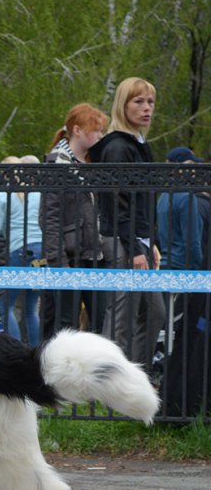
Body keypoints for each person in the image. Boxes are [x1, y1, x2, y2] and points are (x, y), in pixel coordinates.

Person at [88, 77, 165, 367]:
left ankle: (133, 378)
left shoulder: (138, 144)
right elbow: (116, 204)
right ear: (123, 104)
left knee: (155, 313)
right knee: (122, 316)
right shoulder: (117, 147)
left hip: (139, 240)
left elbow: (144, 201)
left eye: (150, 102)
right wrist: (134, 247)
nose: (147, 108)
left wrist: (151, 241)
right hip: (123, 240)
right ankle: (105, 384)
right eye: (138, 101)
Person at [39, 103, 108, 339]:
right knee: (65, 328)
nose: (101, 136)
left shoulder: (89, 163)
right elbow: (49, 216)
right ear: (77, 130)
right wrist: (58, 262)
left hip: (93, 254)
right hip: (69, 257)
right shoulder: (58, 163)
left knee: (101, 324)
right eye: (96, 130)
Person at [157, 146, 210, 417]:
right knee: (184, 331)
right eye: (191, 165)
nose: (196, 171)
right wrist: (201, 270)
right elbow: (193, 243)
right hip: (189, 271)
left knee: (170, 328)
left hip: (165, 266)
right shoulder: (189, 198)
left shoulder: (163, 197)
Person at [0, 155, 43, 346]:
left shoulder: (3, 196)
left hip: (20, 252)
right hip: (42, 255)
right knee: (31, 309)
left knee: (5, 306)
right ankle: (36, 354)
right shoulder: (39, 194)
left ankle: (16, 351)